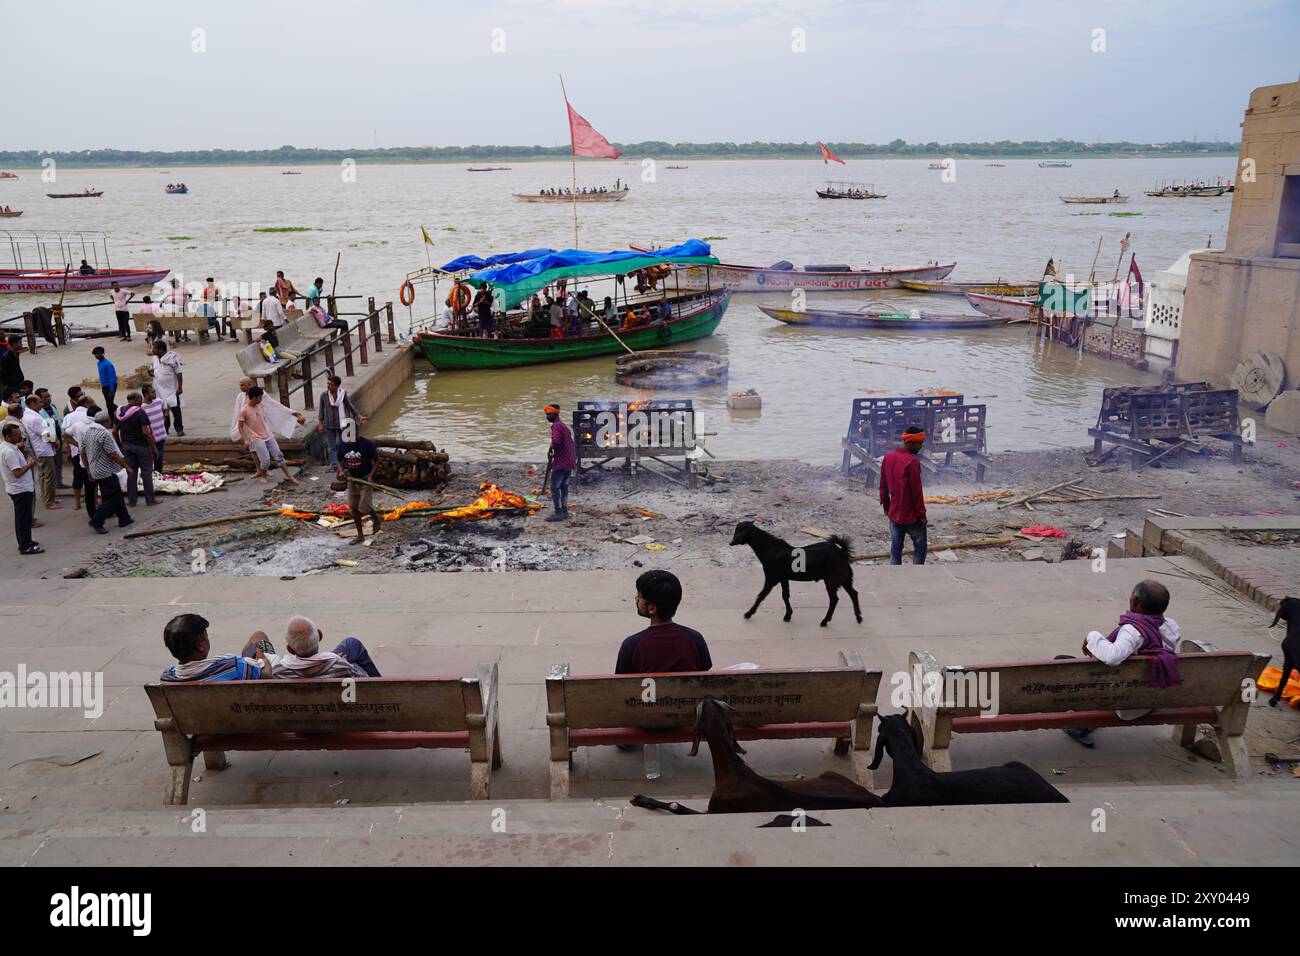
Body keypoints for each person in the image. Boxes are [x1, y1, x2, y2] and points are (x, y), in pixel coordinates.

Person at [1062, 580, 1183, 748]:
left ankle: (1079, 721)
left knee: (1062, 662)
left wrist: (1092, 636)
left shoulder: (1133, 631)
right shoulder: (1171, 626)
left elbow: (1113, 657)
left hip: (1125, 701)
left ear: (1135, 602)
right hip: (1153, 695)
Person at [615, 570, 711, 674]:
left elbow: (621, 685)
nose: (636, 598)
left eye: (639, 596)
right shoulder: (695, 639)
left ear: (652, 608)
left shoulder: (632, 645)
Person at [160, 613, 276, 682]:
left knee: (250, 649)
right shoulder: (234, 666)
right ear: (201, 646)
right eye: (206, 636)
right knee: (257, 637)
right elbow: (267, 677)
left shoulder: (167, 678)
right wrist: (262, 657)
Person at [271, 615, 381, 679]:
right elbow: (364, 683)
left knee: (351, 644)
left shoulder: (278, 672)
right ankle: (382, 684)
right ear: (320, 635)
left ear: (290, 649)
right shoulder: (343, 668)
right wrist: (346, 664)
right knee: (353, 646)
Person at [880, 425, 927, 565]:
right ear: (911, 443)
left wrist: (886, 505)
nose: (921, 447)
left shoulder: (888, 457)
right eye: (920, 444)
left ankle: (894, 577)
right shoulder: (912, 462)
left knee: (895, 549)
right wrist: (922, 515)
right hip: (911, 516)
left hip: (894, 514)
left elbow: (883, 484)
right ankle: (917, 575)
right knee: (920, 547)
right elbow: (916, 493)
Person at [81, 410, 132, 534]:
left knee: (115, 495)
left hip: (95, 469)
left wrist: (88, 470)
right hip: (106, 471)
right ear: (105, 422)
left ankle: (124, 518)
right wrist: (126, 467)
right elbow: (113, 454)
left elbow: (82, 453)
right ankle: (96, 520)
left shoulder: (87, 432)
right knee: (112, 499)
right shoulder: (104, 434)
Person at [237, 386, 299, 485]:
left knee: (279, 455)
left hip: (268, 434)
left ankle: (288, 475)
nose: (261, 399)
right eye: (260, 397)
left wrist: (291, 413)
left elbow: (275, 407)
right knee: (265, 460)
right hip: (256, 437)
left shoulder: (260, 405)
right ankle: (263, 476)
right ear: (254, 398)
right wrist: (245, 439)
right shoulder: (244, 410)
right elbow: (240, 427)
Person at [337, 426, 380, 545]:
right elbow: (339, 459)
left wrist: (371, 475)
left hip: (365, 478)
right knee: (353, 508)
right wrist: (341, 470)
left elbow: (376, 460)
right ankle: (360, 535)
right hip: (352, 479)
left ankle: (375, 517)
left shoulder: (366, 444)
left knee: (364, 508)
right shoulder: (343, 445)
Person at [3, 421, 41, 554]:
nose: (19, 437)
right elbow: (17, 473)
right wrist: (29, 464)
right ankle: (25, 546)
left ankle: (26, 540)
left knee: (23, 518)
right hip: (20, 489)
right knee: (23, 519)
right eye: (16, 435)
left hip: (19, 488)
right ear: (8, 436)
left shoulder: (8, 447)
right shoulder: (9, 452)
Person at [115, 391, 158, 507]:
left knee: (131, 473)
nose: (141, 402)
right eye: (140, 400)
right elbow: (145, 432)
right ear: (136, 400)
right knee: (146, 473)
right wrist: (154, 447)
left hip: (127, 446)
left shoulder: (119, 412)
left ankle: (132, 501)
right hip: (142, 446)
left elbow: (114, 431)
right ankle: (150, 500)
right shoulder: (140, 412)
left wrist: (120, 444)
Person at [317, 374, 365, 467]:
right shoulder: (324, 395)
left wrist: (358, 416)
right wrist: (321, 423)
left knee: (344, 443)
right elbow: (321, 409)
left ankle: (344, 462)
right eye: (328, 384)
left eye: (330, 384)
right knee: (331, 446)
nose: (328, 386)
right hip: (329, 424)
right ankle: (334, 464)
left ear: (336, 385)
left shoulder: (342, 394)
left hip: (342, 423)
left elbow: (349, 406)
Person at [22, 395, 59, 511]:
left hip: (40, 449)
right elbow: (46, 434)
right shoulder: (34, 418)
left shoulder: (29, 415)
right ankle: (49, 501)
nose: (41, 404)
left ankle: (47, 497)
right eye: (39, 402)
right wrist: (55, 441)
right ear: (32, 403)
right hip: (43, 450)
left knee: (44, 476)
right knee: (49, 476)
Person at [62, 395, 96, 512]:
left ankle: (77, 503)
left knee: (78, 477)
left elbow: (65, 435)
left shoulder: (68, 417)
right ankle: (94, 500)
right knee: (92, 477)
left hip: (76, 451)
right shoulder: (90, 414)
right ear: (86, 403)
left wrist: (75, 445)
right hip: (91, 451)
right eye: (92, 402)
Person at [544, 403, 575, 522]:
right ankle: (565, 511)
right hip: (570, 460)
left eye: (549, 414)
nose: (547, 417)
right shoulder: (563, 425)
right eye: (546, 414)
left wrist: (551, 447)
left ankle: (558, 512)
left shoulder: (556, 426)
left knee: (555, 487)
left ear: (555, 414)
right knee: (564, 486)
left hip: (562, 461)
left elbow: (556, 441)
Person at [150, 340, 184, 435]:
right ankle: (165, 429)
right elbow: (153, 370)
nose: (152, 350)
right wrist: (151, 373)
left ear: (160, 349)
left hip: (171, 390)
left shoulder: (171, 358)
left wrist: (180, 388)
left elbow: (179, 373)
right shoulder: (154, 359)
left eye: (154, 348)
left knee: (176, 411)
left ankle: (179, 429)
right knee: (163, 411)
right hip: (159, 390)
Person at [35, 388, 65, 489]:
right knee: (49, 468)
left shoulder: (53, 406)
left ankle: (59, 483)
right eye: (45, 397)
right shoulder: (39, 412)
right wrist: (53, 441)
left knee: (59, 463)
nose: (48, 398)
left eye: (49, 396)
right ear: (39, 399)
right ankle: (51, 488)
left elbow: (58, 421)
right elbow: (44, 429)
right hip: (49, 442)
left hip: (58, 439)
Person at [140, 383, 169, 474]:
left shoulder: (159, 401)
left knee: (159, 458)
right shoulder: (141, 408)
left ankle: (157, 474)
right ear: (146, 394)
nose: (154, 394)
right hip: (150, 438)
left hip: (161, 435)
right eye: (152, 392)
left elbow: (166, 408)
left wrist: (165, 415)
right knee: (151, 457)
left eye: (154, 392)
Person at [92, 345, 117, 420]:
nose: (96, 356)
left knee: (109, 404)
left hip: (110, 386)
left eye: (98, 354)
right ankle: (120, 410)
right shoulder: (99, 363)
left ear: (103, 353)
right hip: (104, 386)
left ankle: (112, 420)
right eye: (95, 354)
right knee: (109, 403)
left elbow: (112, 377)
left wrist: (112, 390)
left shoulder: (107, 364)